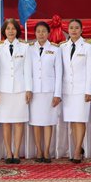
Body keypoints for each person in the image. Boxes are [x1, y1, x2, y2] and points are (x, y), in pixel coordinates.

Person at [0, 18, 32, 163]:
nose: (10, 31)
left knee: (18, 122)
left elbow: (27, 70)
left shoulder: (25, 47)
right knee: (6, 122)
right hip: (3, 90)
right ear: (4, 31)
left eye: (13, 28)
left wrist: (29, 89)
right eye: (8, 28)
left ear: (17, 30)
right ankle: (8, 152)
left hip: (20, 89)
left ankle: (16, 153)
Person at [59, 19, 91, 163]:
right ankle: (78, 147)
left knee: (80, 120)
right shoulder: (62, 47)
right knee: (73, 121)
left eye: (76, 28)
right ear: (67, 30)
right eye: (71, 28)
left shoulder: (88, 47)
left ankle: (76, 151)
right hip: (68, 90)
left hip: (82, 90)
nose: (74, 30)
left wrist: (89, 91)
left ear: (81, 30)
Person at [28, 21, 62, 163]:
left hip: (49, 91)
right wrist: (28, 89)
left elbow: (59, 73)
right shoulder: (30, 49)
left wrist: (57, 94)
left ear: (48, 33)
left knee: (48, 122)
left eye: (43, 31)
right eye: (38, 31)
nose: (41, 34)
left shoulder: (55, 49)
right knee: (36, 122)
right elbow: (28, 72)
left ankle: (47, 150)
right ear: (35, 33)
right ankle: (39, 150)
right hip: (35, 92)